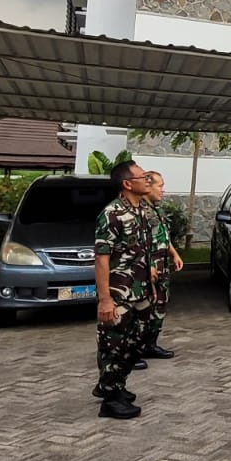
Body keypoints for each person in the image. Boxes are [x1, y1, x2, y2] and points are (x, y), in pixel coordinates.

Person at [92, 160, 157, 420]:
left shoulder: (142, 211)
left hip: (141, 290)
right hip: (119, 293)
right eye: (143, 177)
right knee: (114, 345)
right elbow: (101, 258)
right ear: (127, 184)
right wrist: (105, 299)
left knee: (137, 340)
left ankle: (115, 383)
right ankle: (110, 398)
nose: (148, 180)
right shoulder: (112, 214)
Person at [137, 170, 183, 362]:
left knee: (159, 305)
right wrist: (148, 265)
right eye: (160, 186)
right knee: (143, 307)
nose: (162, 190)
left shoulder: (155, 209)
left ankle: (150, 345)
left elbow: (162, 235)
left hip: (162, 262)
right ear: (148, 186)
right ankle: (134, 349)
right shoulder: (140, 211)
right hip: (149, 264)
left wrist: (174, 254)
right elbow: (139, 243)